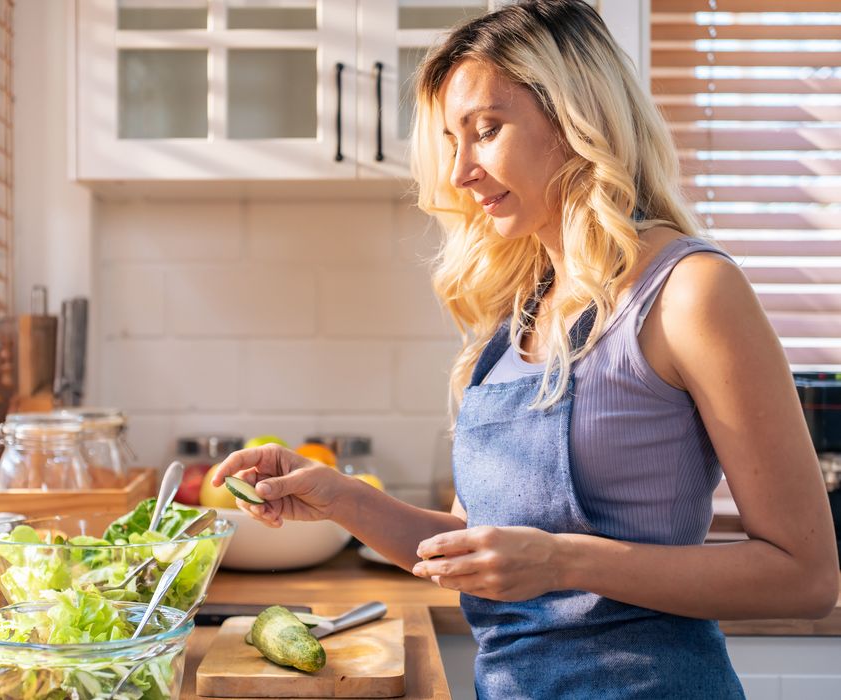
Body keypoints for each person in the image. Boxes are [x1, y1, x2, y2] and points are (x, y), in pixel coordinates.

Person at [211, 1, 840, 697]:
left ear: (580, 120)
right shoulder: (520, 307)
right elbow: (469, 540)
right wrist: (342, 500)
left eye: (487, 130)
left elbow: (806, 574)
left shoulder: (690, 292)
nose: (460, 172)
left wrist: (562, 562)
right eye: (454, 139)